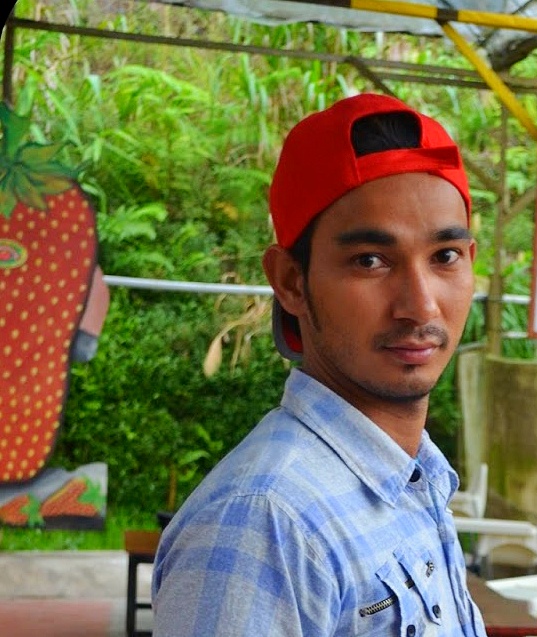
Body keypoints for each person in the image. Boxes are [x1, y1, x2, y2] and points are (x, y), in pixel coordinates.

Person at [152, 93, 487, 637]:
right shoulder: (264, 525)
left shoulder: (416, 478)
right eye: (370, 261)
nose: (421, 306)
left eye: (444, 256)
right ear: (290, 283)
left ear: (470, 262)